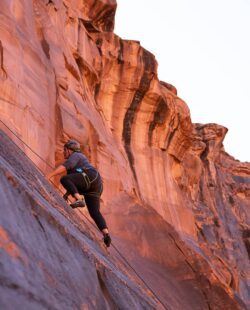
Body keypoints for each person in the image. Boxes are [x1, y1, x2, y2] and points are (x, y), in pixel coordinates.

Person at [46, 139, 111, 247]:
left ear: (70, 150)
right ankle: (106, 235)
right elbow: (76, 182)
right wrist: (67, 194)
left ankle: (79, 200)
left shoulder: (76, 155)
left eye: (65, 150)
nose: (63, 152)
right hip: (96, 184)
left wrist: (49, 175)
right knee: (94, 212)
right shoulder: (80, 159)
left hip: (90, 176)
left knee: (64, 179)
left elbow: (65, 168)